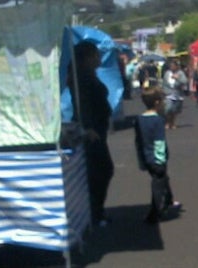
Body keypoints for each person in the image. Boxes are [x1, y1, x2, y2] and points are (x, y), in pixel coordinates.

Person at [67, 41, 114, 226]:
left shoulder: (88, 76)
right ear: (87, 57)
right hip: (92, 130)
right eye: (95, 55)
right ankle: (95, 213)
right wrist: (87, 128)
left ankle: (97, 211)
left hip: (98, 128)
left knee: (101, 171)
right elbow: (82, 105)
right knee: (99, 171)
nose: (99, 58)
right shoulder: (81, 78)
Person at [134, 87, 182, 224]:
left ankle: (168, 200)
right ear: (156, 103)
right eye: (162, 101)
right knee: (158, 184)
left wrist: (142, 159)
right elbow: (159, 142)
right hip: (157, 159)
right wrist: (161, 160)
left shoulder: (139, 119)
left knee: (162, 180)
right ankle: (155, 212)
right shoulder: (158, 120)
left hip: (147, 157)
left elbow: (138, 141)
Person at [162, 60, 187, 129]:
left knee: (174, 110)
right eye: (170, 66)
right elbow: (164, 83)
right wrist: (163, 91)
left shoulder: (180, 73)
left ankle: (172, 123)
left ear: (176, 66)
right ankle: (167, 122)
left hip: (178, 94)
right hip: (168, 93)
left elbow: (185, 81)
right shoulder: (167, 73)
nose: (172, 67)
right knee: (168, 109)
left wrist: (177, 78)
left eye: (173, 66)